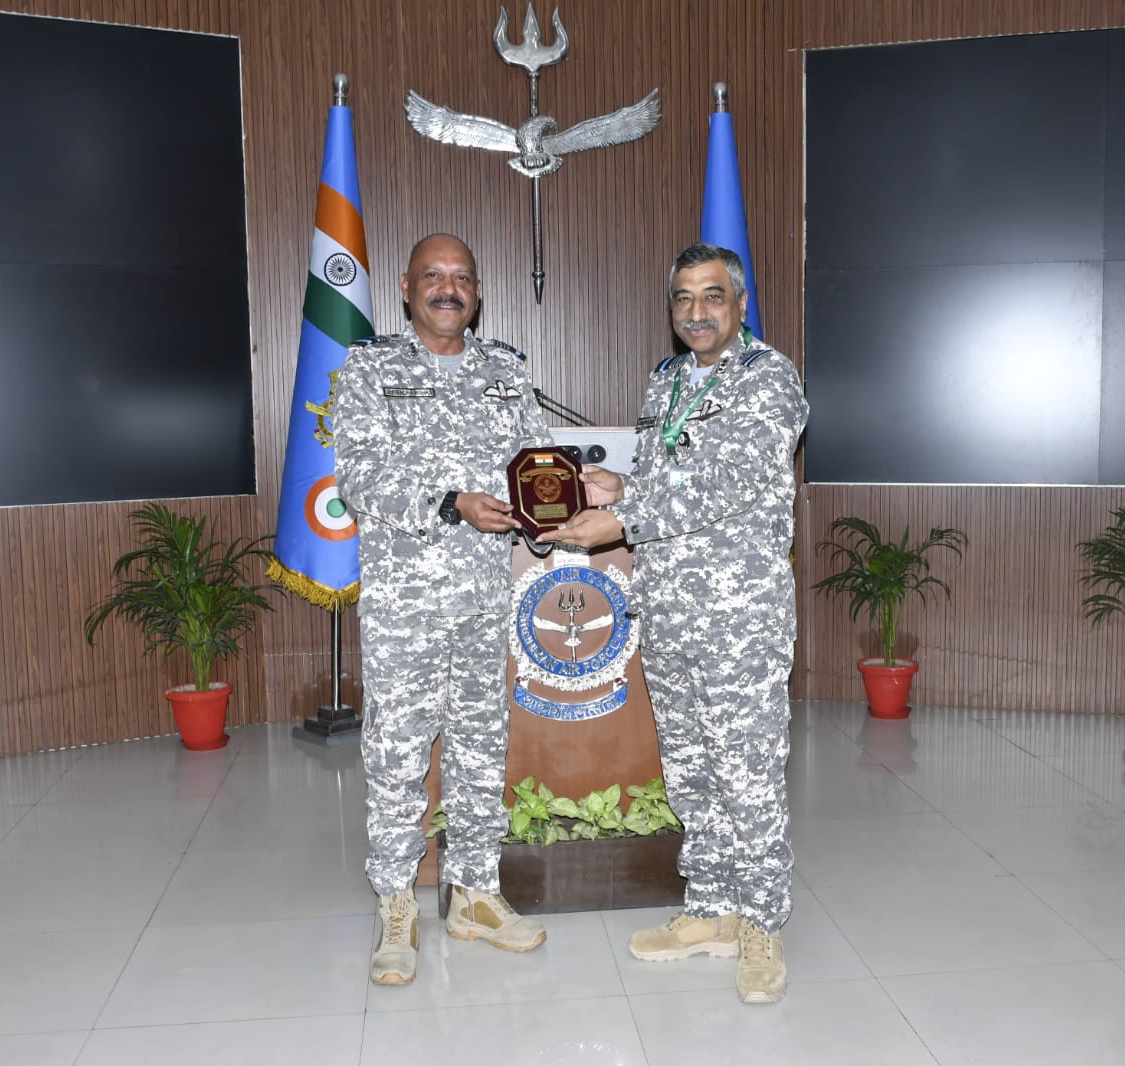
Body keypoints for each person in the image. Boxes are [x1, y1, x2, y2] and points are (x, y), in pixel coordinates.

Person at [540, 242, 809, 1004]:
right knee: (691, 773)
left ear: (741, 304)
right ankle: (712, 908)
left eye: (712, 296)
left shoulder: (768, 379)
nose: (697, 312)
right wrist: (618, 484)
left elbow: (729, 482)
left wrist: (622, 520)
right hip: (669, 612)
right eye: (683, 298)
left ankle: (762, 924)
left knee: (746, 776)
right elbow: (672, 475)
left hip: (738, 620)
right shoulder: (667, 381)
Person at [333, 233, 552, 986]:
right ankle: (397, 904)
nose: (447, 288)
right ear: (406, 288)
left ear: (478, 291)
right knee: (398, 753)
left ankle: (475, 894)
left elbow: (536, 463)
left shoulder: (506, 372)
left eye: (461, 277)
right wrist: (451, 503)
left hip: (484, 601)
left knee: (479, 748)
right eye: (433, 275)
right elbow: (359, 476)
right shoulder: (371, 369)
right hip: (406, 605)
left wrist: (550, 511)